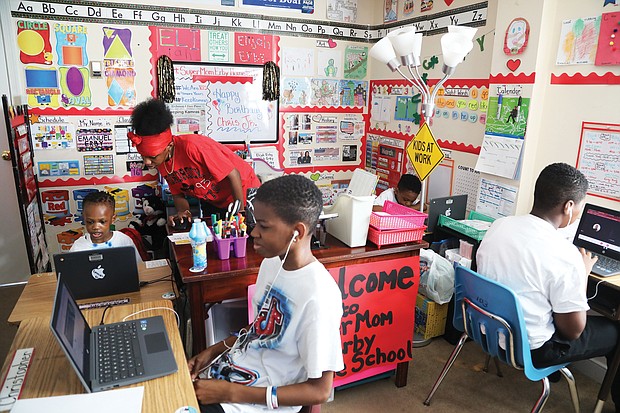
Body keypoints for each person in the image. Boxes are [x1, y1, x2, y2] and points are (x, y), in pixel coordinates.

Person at [188, 175, 344, 413]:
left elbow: (320, 390)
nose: (253, 233)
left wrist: (230, 393)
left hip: (257, 401)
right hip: (232, 372)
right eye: (255, 223)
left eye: (264, 226)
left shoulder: (319, 297)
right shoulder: (272, 263)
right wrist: (213, 351)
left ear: (297, 232)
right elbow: (261, 330)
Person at [476, 162, 619, 411]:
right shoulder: (565, 255)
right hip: (532, 350)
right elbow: (573, 332)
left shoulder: (500, 225)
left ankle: (553, 375)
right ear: (569, 206)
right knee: (616, 332)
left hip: (488, 329)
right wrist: (581, 276)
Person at [129, 98, 261, 226]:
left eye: (152, 157)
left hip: (243, 192)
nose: (147, 162)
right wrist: (184, 213)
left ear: (168, 146)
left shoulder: (193, 147)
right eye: (143, 156)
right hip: (215, 201)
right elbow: (178, 194)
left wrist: (240, 213)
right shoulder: (161, 161)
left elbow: (234, 174)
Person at [70, 191, 143, 263]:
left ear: (112, 219)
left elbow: (139, 268)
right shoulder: (78, 247)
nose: (96, 227)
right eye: (90, 222)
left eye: (102, 222)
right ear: (84, 218)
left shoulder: (124, 241)